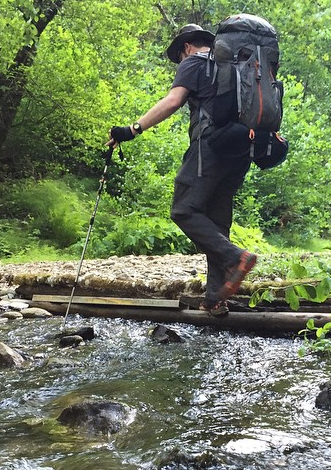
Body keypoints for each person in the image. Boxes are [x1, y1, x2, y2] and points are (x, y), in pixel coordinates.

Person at [108, 23, 257, 316]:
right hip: (241, 151)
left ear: (186, 47)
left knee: (183, 210)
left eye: (179, 57)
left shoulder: (194, 63)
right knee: (216, 221)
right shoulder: (237, 68)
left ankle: (236, 257)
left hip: (210, 148)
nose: (180, 62)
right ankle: (216, 298)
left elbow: (173, 100)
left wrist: (133, 129)